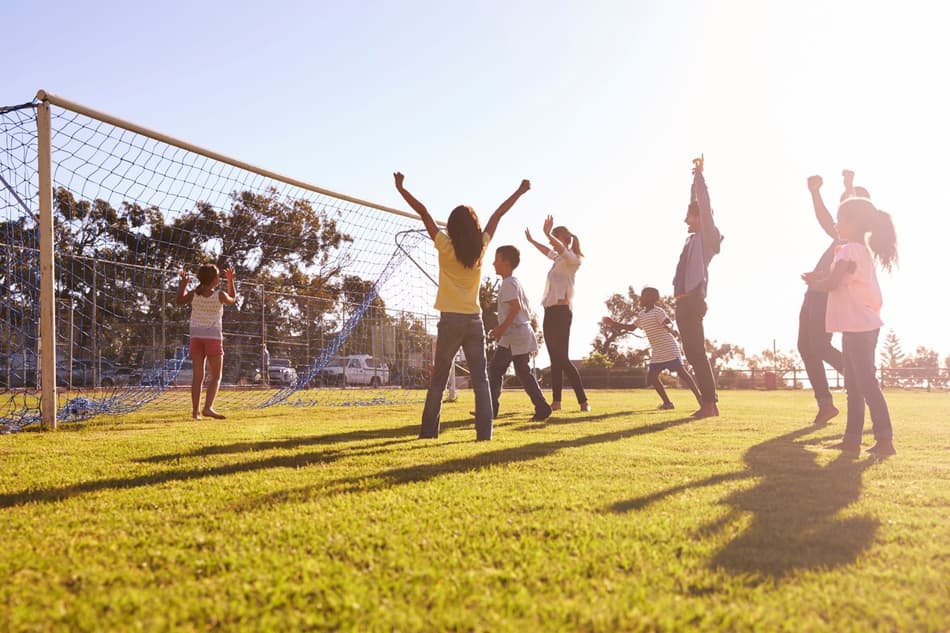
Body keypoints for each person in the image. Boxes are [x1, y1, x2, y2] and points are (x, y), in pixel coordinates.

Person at [394, 171, 531, 441]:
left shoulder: (444, 245)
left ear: (453, 228)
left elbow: (423, 211)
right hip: (473, 321)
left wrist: (401, 188)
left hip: (450, 321)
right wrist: (519, 191)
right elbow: (497, 215)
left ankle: (429, 433)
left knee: (438, 380)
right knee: (481, 379)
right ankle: (484, 434)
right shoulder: (481, 248)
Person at [803, 196, 898, 456]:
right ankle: (852, 440)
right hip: (857, 326)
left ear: (854, 223)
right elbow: (841, 279)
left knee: (865, 383)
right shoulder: (858, 251)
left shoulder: (848, 249)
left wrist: (814, 282)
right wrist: (822, 278)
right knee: (855, 385)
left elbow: (833, 283)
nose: (836, 223)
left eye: (840, 218)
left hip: (859, 328)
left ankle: (885, 440)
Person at [802, 170, 872, 424]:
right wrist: (815, 192)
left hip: (824, 293)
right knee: (805, 346)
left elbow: (826, 219)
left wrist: (848, 184)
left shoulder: (852, 241)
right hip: (814, 291)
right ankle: (826, 404)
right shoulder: (842, 236)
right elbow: (828, 219)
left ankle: (862, 382)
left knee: (818, 346)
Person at [672, 156, 723, 419]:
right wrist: (693, 180)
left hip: (692, 302)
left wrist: (701, 177)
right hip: (683, 303)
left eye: (689, 216)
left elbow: (704, 204)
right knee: (693, 354)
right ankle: (708, 403)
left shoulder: (707, 239)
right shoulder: (692, 240)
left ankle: (709, 404)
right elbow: (695, 203)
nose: (685, 220)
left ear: (700, 217)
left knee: (697, 354)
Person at [525, 216, 590, 412]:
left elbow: (559, 248)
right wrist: (533, 241)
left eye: (554, 237)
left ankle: (583, 401)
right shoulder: (559, 259)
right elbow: (548, 251)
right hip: (550, 311)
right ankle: (557, 402)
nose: (550, 240)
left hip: (562, 312)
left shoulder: (573, 259)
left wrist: (546, 233)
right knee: (554, 358)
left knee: (562, 358)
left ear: (564, 238)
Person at [602, 287, 702, 410]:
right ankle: (667, 403)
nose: (640, 298)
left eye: (643, 296)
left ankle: (700, 398)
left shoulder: (658, 311)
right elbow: (631, 327)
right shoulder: (642, 314)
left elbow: (667, 322)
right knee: (652, 377)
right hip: (657, 351)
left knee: (683, 374)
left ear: (649, 298)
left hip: (669, 348)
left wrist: (670, 328)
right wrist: (613, 323)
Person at [487, 245, 552, 421]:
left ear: (506, 263)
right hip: (519, 334)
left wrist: (501, 328)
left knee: (495, 370)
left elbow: (516, 308)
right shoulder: (513, 282)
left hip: (514, 335)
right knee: (522, 373)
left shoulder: (508, 283)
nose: (493, 263)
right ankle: (542, 407)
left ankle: (490, 410)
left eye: (497, 259)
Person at [176, 263, 237, 419]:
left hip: (196, 337)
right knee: (216, 376)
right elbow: (233, 299)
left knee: (198, 376)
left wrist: (183, 285)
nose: (219, 279)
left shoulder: (194, 294)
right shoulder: (220, 295)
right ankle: (208, 408)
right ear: (213, 280)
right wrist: (231, 281)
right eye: (218, 276)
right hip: (213, 337)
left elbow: (179, 300)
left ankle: (195, 412)